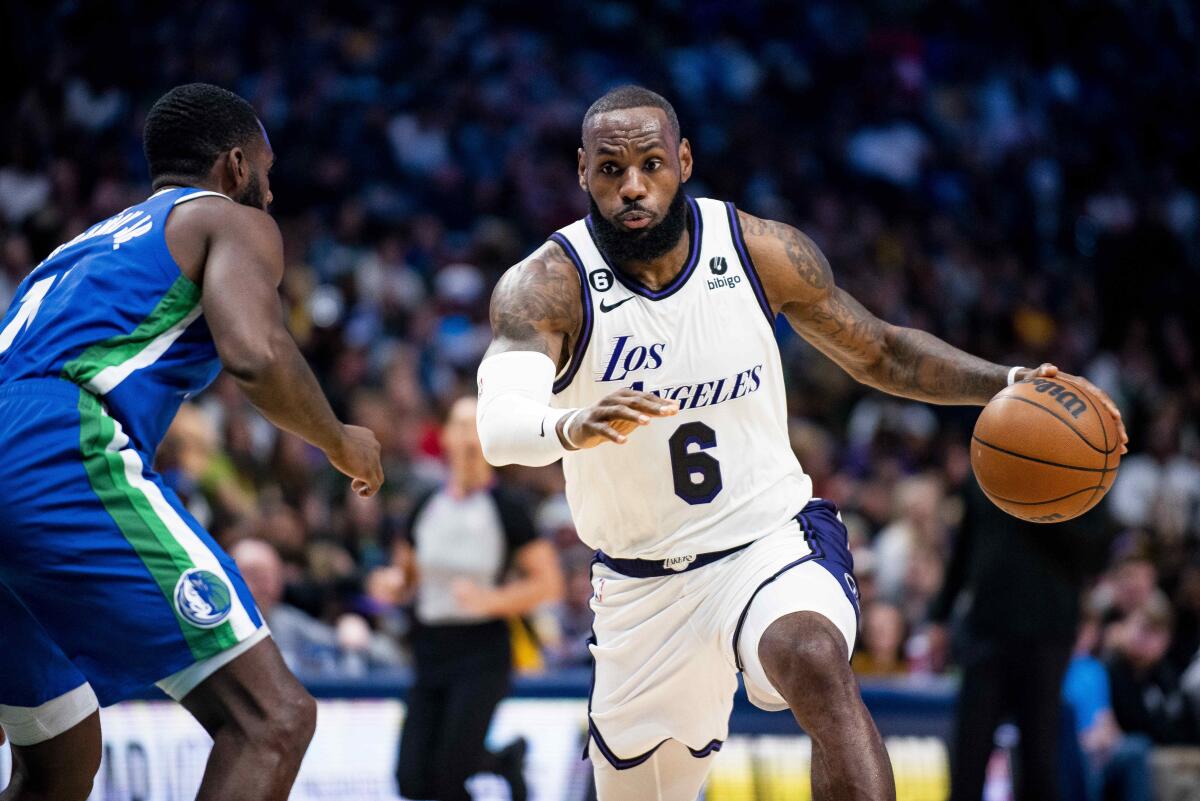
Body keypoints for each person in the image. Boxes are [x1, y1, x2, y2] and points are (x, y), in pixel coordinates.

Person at [473, 84, 1127, 801]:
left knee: (812, 655)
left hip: (768, 541)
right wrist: (569, 425)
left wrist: (1006, 381)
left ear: (683, 160)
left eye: (652, 164)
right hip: (640, 584)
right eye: (610, 170)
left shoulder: (760, 250)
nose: (633, 186)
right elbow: (500, 429)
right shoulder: (546, 285)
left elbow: (881, 351)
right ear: (582, 171)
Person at [0, 83, 383, 801]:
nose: (271, 197)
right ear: (236, 167)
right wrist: (340, 441)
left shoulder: (83, 244)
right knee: (272, 717)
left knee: (56, 751)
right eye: (268, 174)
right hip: (54, 445)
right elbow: (256, 354)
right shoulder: (228, 220)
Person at [392, 396, 564, 801]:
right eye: (460, 425)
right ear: (446, 436)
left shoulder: (507, 508)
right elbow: (406, 574)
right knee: (412, 779)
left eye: (476, 425)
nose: (468, 435)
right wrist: (392, 584)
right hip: (429, 649)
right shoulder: (425, 505)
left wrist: (491, 600)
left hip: (482, 651)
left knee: (451, 775)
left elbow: (548, 584)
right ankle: (505, 760)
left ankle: (500, 762)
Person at [927, 478, 1115, 801]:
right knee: (969, 756)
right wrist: (941, 616)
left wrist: (1041, 504)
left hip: (1047, 633)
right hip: (986, 629)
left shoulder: (1078, 466)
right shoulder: (990, 461)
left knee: (1039, 758)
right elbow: (965, 547)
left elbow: (1096, 552)